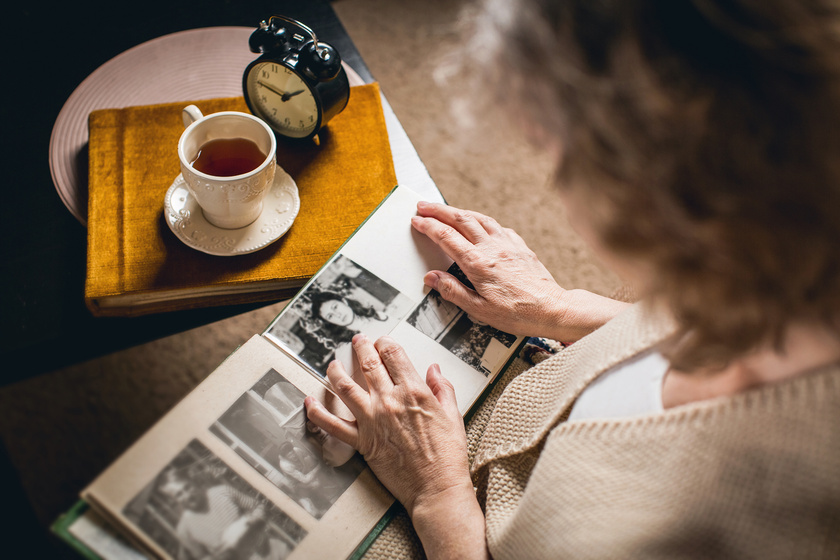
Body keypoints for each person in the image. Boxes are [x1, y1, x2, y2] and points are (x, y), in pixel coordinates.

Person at [304, 0, 840, 558]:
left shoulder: (764, 525)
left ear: (651, 199)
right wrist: (561, 309)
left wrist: (438, 496)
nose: (557, 189)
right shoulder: (786, 250)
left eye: (556, 156)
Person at [158, 467, 289, 560]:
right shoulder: (184, 529)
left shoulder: (222, 491)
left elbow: (259, 506)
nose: (187, 495)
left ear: (192, 482)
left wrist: (247, 523)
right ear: (173, 500)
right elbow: (202, 557)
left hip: (272, 550)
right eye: (179, 494)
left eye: (187, 487)